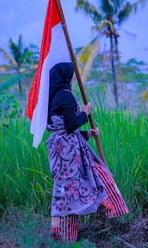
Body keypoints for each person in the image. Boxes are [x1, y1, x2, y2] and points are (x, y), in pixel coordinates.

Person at [46, 62, 129, 243]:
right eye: (72, 74)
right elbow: (70, 125)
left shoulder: (52, 97)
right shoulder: (65, 96)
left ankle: (62, 237)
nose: (74, 78)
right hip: (68, 153)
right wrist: (85, 113)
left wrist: (87, 134)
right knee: (101, 175)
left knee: (65, 192)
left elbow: (62, 128)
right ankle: (114, 213)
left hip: (61, 151)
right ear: (66, 76)